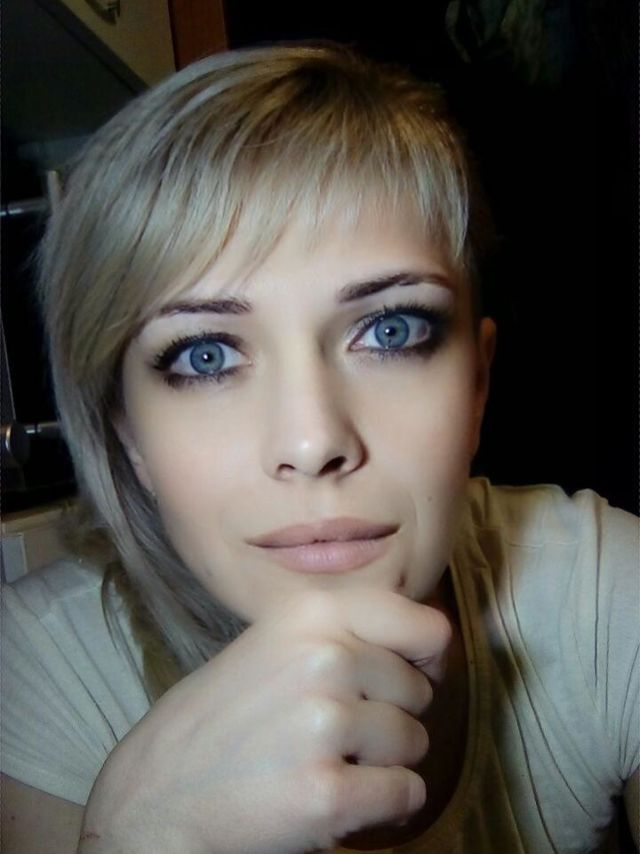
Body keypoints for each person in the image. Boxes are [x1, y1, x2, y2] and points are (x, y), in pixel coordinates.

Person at [1, 43, 637, 853]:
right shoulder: (36, 668)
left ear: (477, 384)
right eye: (206, 355)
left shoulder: (602, 592)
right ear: (129, 437)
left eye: (391, 330)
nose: (312, 442)